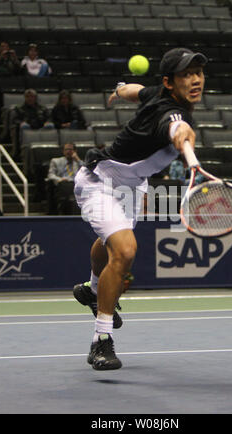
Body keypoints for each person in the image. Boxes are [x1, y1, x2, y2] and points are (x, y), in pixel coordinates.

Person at [73, 47, 207, 370]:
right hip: (99, 180)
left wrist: (120, 91)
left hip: (132, 187)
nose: (196, 79)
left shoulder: (159, 94)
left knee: (110, 245)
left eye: (198, 73)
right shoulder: (173, 115)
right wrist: (187, 144)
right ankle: (100, 342)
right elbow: (177, 130)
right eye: (186, 74)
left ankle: (92, 290)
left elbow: (139, 92)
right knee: (125, 250)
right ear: (169, 83)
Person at [10, 88, 54, 160]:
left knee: (50, 126)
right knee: (24, 126)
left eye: (32, 96)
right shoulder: (19, 109)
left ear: (35, 97)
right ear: (25, 98)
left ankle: (46, 149)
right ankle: (23, 151)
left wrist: (47, 122)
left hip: (41, 128)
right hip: (27, 129)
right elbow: (14, 120)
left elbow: (50, 118)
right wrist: (21, 122)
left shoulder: (43, 108)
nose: (30, 98)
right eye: (27, 96)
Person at [47, 143, 83, 215]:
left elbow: (87, 171)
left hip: (75, 185)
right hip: (62, 184)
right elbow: (50, 175)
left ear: (75, 151)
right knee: (65, 186)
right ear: (63, 151)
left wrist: (78, 159)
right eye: (66, 149)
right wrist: (59, 179)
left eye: (70, 149)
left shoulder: (78, 162)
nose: (68, 152)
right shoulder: (55, 161)